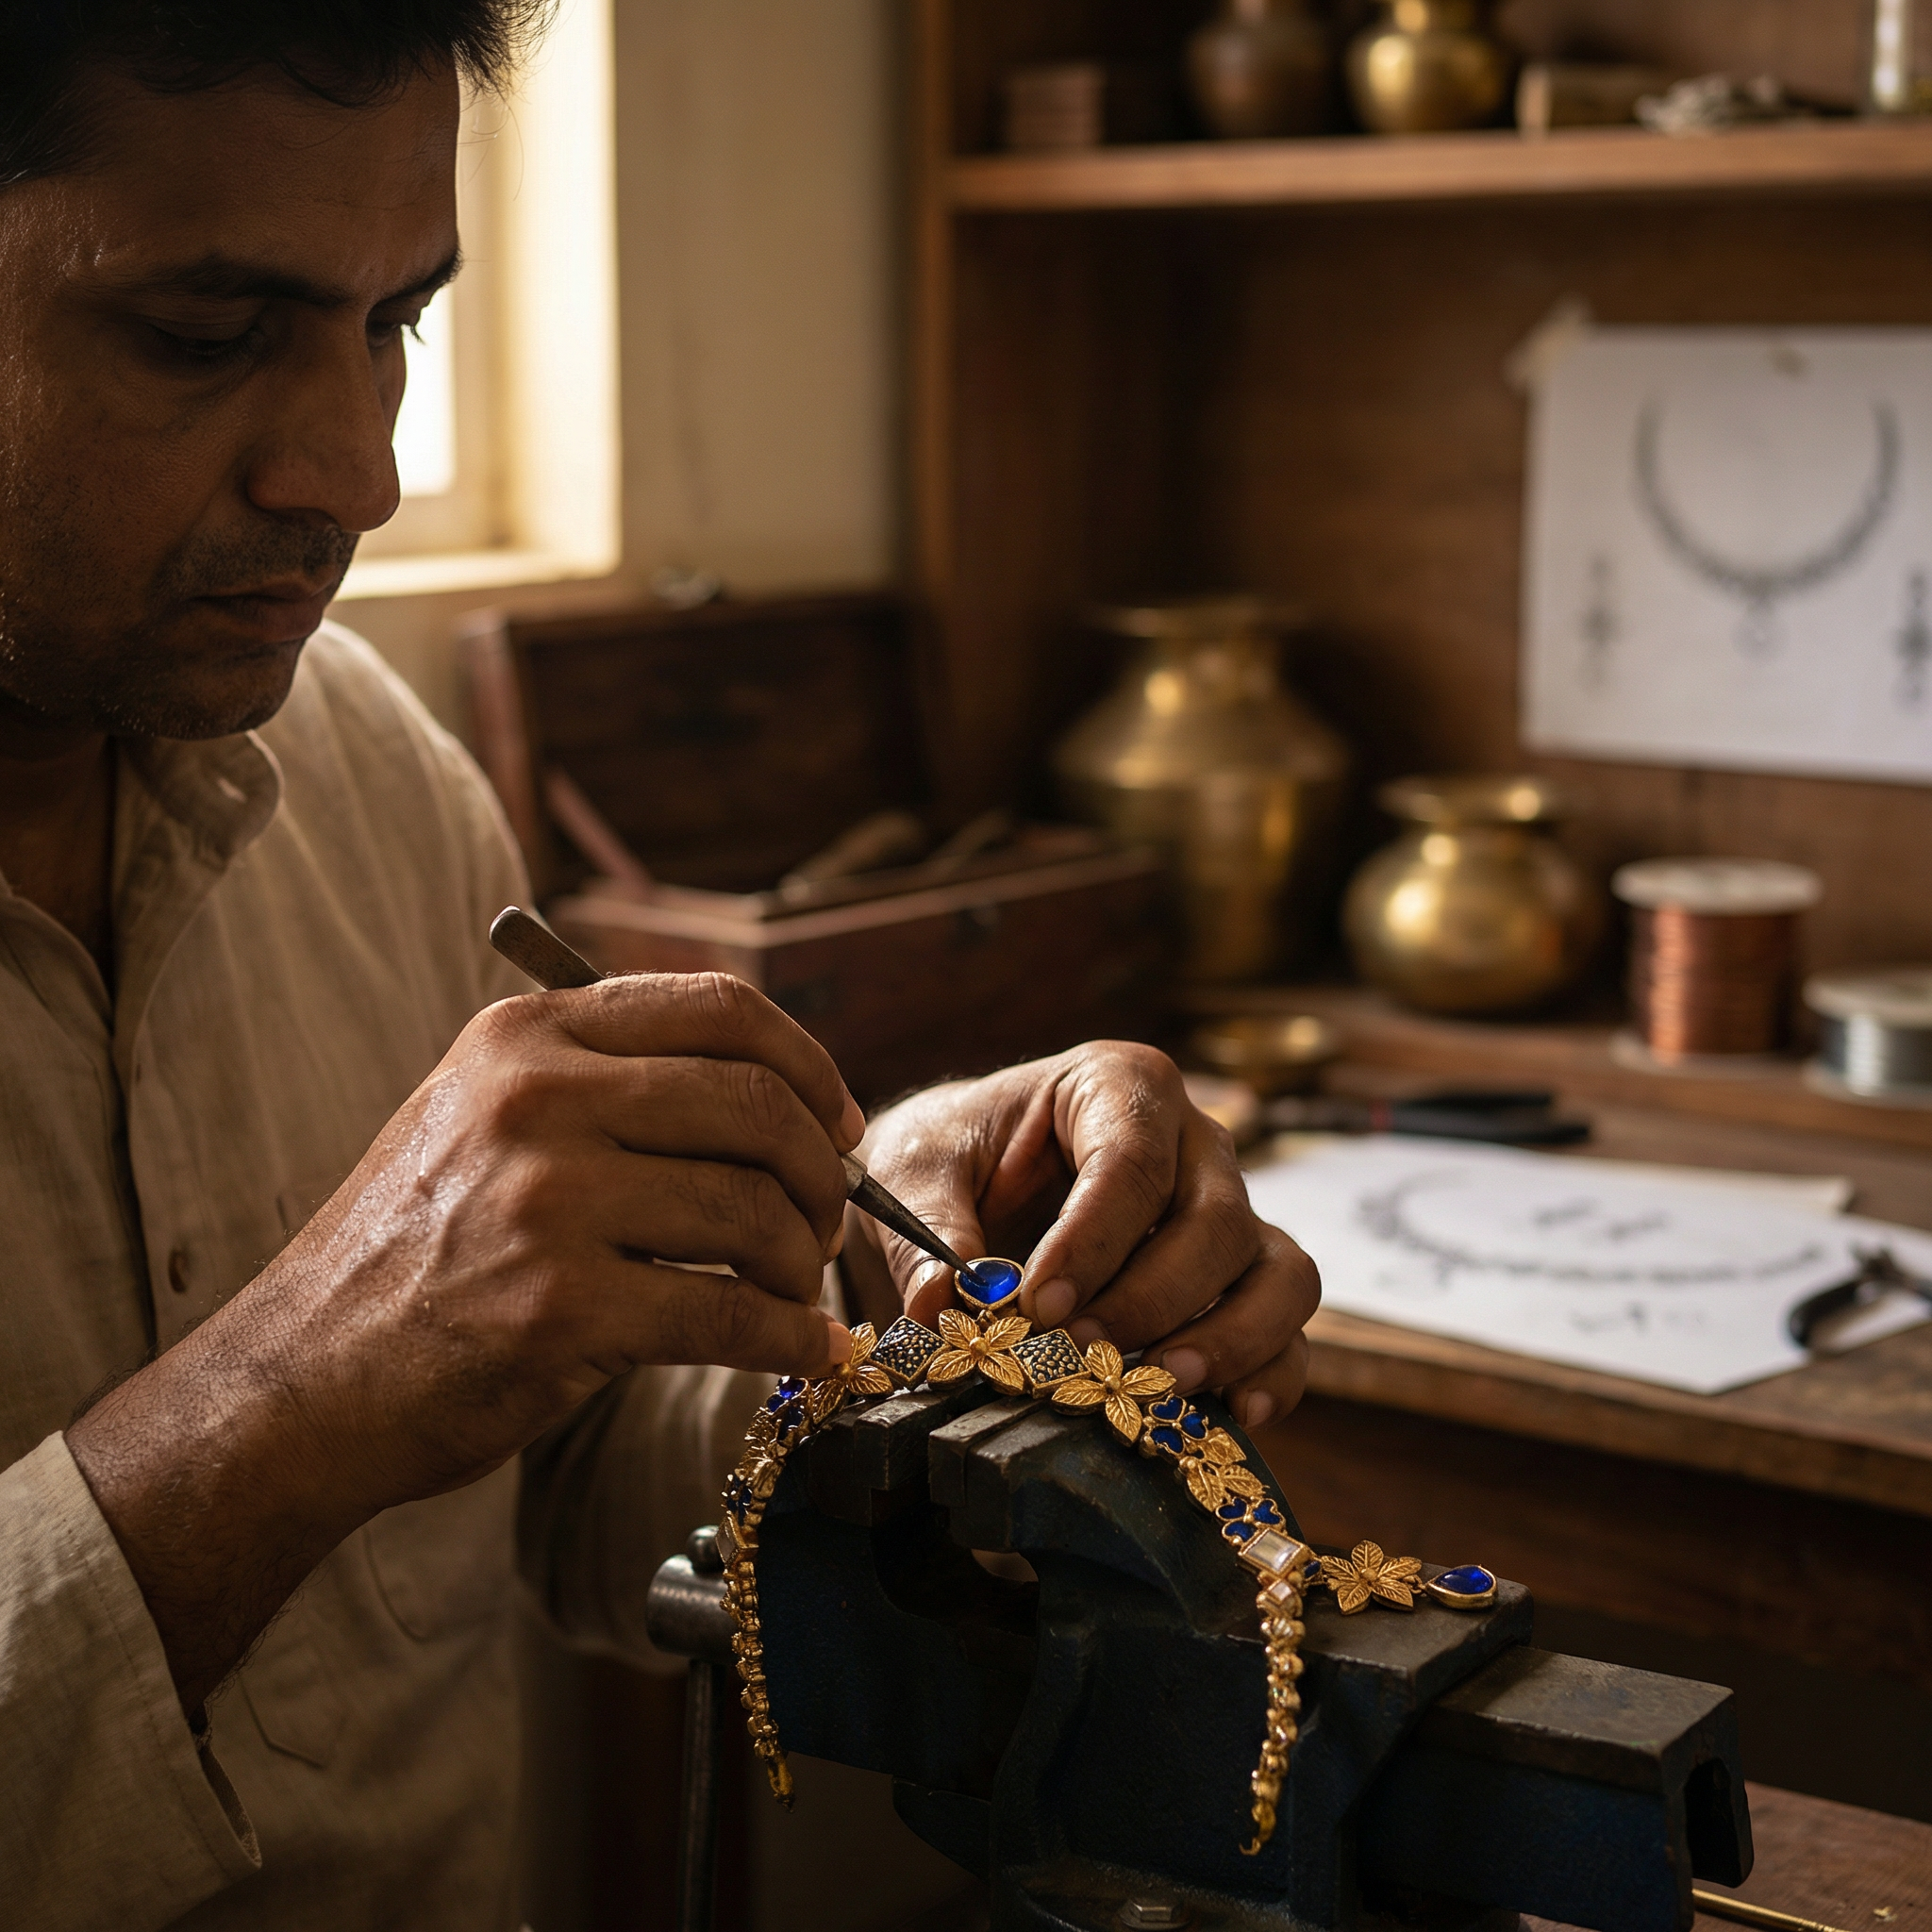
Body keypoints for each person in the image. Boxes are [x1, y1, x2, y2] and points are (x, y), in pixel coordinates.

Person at [0, 5, 1322, 1926]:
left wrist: (897, 1324)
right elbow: (355, 1402)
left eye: (396, 326)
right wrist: (295, 1394)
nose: (355, 471)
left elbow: (569, 1492)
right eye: (205, 337)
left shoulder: (367, 780)